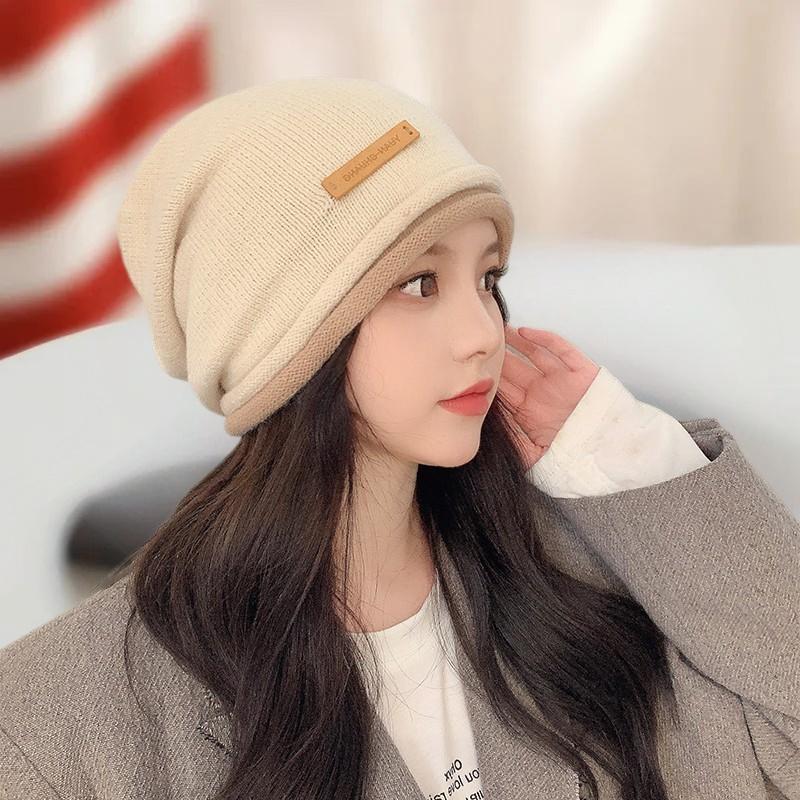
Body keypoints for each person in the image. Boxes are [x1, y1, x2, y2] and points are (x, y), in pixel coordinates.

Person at [0, 77, 797, 800]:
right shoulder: (57, 719)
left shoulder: (591, 577)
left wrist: (629, 456)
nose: (482, 333)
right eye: (420, 283)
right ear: (281, 337)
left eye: (488, 279)